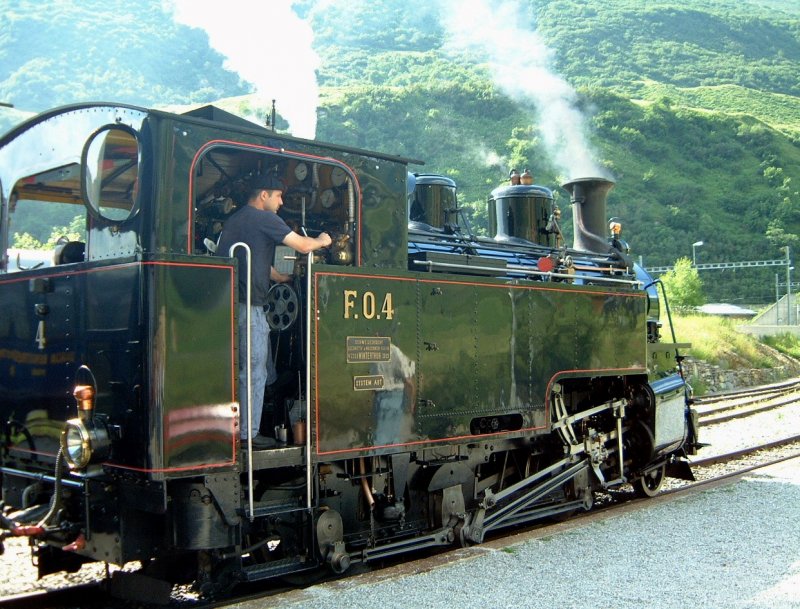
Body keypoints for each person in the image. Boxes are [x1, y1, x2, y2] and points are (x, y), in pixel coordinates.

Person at [216, 173, 331, 449]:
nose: (281, 202)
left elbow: (249, 257)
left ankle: (253, 419)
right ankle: (248, 435)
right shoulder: (264, 218)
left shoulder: (236, 219)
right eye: (278, 196)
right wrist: (324, 240)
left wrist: (279, 278)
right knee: (253, 370)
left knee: (255, 368)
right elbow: (303, 245)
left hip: (230, 305)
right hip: (250, 306)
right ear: (264, 195)